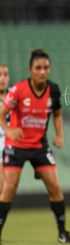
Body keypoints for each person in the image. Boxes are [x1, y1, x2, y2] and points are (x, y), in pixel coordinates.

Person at [0, 50, 70, 245]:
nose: (42, 72)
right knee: (8, 189)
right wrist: (8, 130)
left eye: (46, 68)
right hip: (16, 146)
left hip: (40, 146)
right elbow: (2, 113)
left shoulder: (54, 90)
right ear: (30, 70)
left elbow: (57, 113)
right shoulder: (18, 89)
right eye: (38, 68)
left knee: (55, 187)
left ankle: (62, 233)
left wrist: (59, 135)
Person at [0, 64, 10, 194]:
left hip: (13, 145)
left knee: (8, 188)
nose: (2, 78)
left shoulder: (16, 95)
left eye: (5, 74)